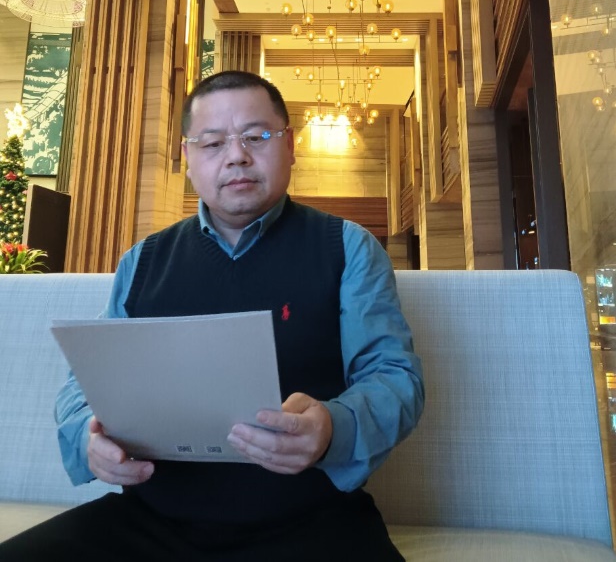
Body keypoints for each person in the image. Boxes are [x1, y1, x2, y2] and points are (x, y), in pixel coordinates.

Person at [0, 70, 424, 561]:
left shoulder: (348, 248)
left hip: (312, 519)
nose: (236, 155)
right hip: (152, 521)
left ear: (290, 145)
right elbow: (86, 381)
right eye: (213, 142)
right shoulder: (143, 260)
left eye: (257, 136)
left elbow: (395, 376)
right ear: (187, 157)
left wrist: (333, 426)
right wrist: (89, 437)